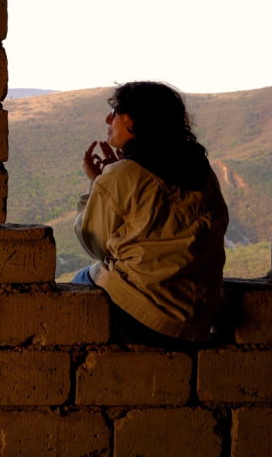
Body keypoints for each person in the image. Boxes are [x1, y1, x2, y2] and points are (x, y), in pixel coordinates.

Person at [73, 81, 228, 349]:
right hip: (198, 320)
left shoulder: (123, 174)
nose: (108, 119)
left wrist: (96, 182)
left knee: (79, 282)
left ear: (136, 121)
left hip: (146, 320)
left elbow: (93, 243)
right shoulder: (202, 169)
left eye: (117, 113)